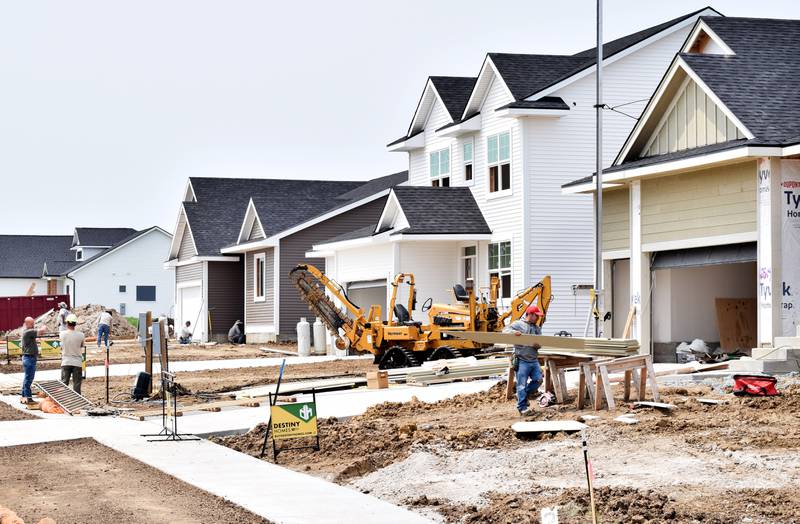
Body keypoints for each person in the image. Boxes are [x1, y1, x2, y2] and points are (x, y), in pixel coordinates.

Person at [504, 304, 545, 416]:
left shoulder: (536, 328)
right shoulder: (518, 324)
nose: (537, 318)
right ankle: (522, 408)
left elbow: (541, 342)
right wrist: (514, 333)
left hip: (533, 359)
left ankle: (522, 394)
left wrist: (538, 345)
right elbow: (505, 330)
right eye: (536, 316)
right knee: (521, 385)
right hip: (522, 360)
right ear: (530, 314)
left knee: (538, 380)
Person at [19, 317, 47, 404]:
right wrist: (44, 326)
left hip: (28, 358)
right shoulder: (29, 331)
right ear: (28, 324)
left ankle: (24, 396)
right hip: (29, 358)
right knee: (29, 379)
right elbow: (41, 331)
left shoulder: (27, 332)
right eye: (32, 323)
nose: (33, 324)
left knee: (27, 378)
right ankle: (28, 398)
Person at [59, 314, 85, 394]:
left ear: (67, 323)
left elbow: (60, 346)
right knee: (77, 385)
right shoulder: (81, 335)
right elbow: (81, 345)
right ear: (75, 324)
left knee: (64, 383)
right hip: (77, 362)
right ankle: (78, 403)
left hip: (66, 361)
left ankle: (62, 402)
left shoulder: (61, 334)